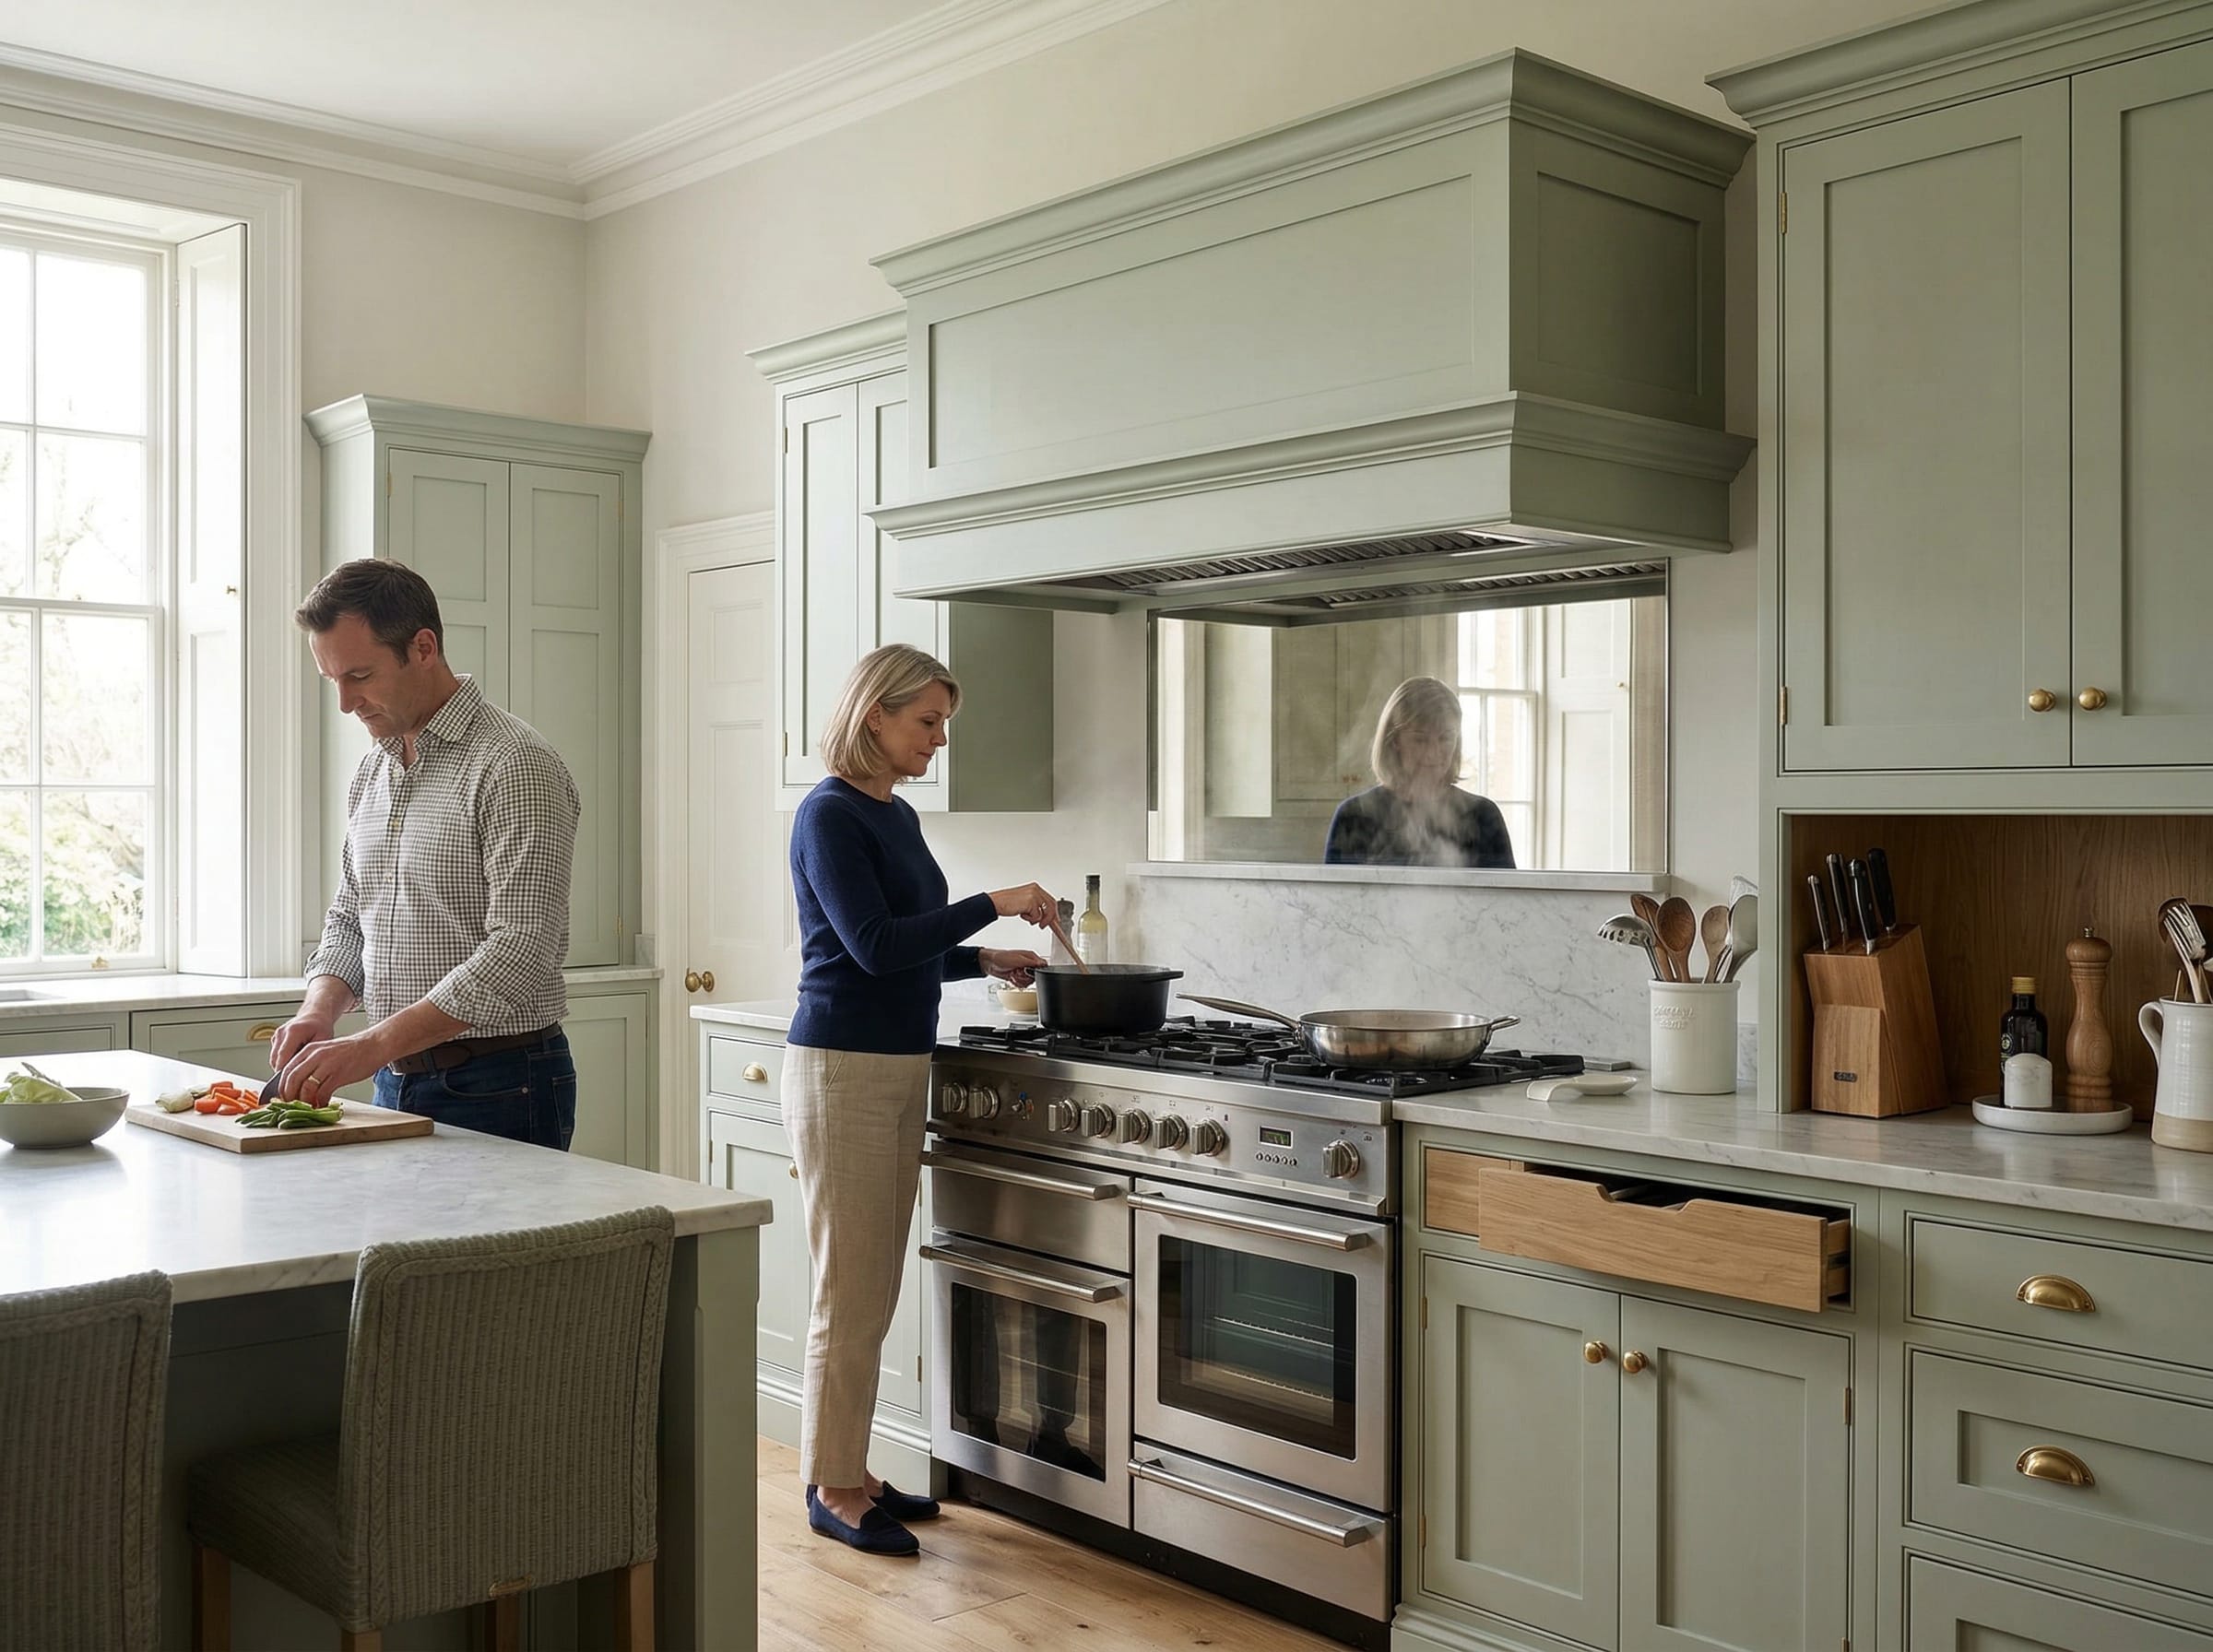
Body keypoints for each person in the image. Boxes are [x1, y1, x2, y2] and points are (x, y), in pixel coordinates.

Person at [787, 643, 1053, 1556]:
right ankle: (831, 1485)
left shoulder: (889, 815)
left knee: (874, 1280)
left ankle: (852, 1468)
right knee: (848, 1286)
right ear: (875, 717)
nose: (938, 741)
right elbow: (866, 945)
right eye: (926, 722)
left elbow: (904, 942)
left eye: (942, 724)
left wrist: (981, 958)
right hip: (843, 1067)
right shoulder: (829, 814)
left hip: (896, 1061)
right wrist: (992, 902)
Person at [270, 560, 583, 1150]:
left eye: (359, 675)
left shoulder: (514, 765)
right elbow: (349, 918)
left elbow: (523, 950)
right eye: (331, 679)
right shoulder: (372, 770)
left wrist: (372, 1044)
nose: (345, 703)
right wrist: (320, 1010)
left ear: (423, 647)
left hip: (501, 1083)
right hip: (392, 1081)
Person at [1323, 675, 1516, 869]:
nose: (1433, 753)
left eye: (1445, 738)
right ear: (1394, 741)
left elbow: (1506, 899)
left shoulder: (1483, 816)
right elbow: (1336, 898)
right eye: (1420, 740)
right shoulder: (1354, 816)